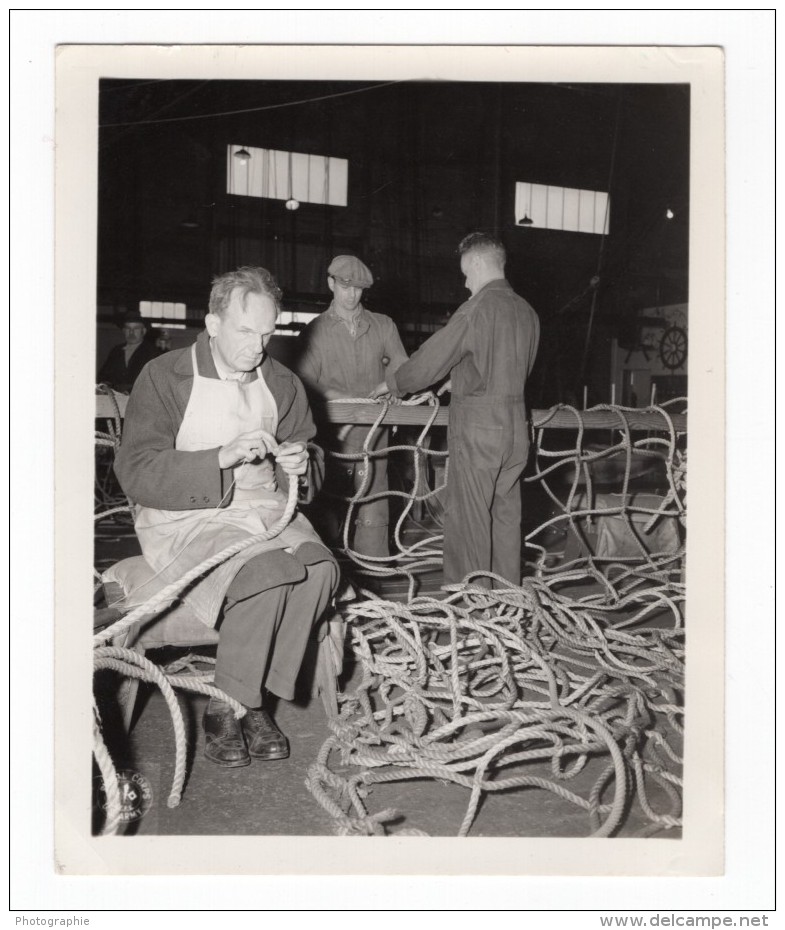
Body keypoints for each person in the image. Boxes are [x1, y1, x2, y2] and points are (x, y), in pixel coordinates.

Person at [114, 267, 339, 769]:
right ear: (213, 324)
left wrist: (303, 463)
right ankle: (233, 705)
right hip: (187, 516)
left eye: (267, 333)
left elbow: (312, 466)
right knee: (268, 572)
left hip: (263, 509)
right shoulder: (166, 376)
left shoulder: (281, 382)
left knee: (322, 570)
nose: (258, 347)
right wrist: (218, 457)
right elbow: (135, 471)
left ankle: (248, 696)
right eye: (244, 332)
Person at [371, 232, 540, 589]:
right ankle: (507, 606)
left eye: (466, 273)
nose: (466, 283)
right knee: (505, 517)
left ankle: (475, 614)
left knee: (469, 521)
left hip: (480, 430)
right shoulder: (527, 311)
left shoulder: (477, 308)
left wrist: (395, 383)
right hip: (517, 429)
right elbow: (504, 369)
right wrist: (460, 379)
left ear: (478, 263)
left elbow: (433, 358)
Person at [296, 255, 408, 557]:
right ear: (330, 283)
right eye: (345, 287)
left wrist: (394, 388)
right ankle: (329, 565)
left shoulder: (383, 325)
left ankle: (374, 564)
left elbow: (401, 367)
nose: (351, 295)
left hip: (375, 430)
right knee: (329, 497)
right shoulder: (315, 331)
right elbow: (304, 379)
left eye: (358, 289)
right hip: (333, 432)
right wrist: (335, 396)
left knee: (374, 494)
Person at [97, 309, 161, 392]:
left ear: (143, 331)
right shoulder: (116, 351)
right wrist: (105, 385)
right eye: (128, 328)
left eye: (136, 329)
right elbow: (103, 376)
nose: (131, 333)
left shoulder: (152, 352)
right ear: (124, 331)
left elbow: (155, 381)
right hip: (115, 398)